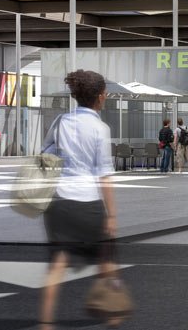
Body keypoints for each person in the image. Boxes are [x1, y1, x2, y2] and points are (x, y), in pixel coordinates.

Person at [38, 70, 130, 330]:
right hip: (88, 204)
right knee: (107, 261)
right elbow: (104, 175)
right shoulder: (100, 128)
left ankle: (45, 323)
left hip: (59, 203)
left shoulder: (60, 121)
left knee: (58, 263)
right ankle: (114, 314)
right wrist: (111, 215)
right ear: (101, 97)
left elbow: (45, 155)